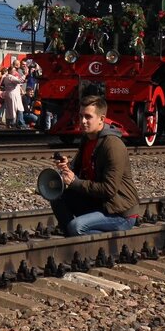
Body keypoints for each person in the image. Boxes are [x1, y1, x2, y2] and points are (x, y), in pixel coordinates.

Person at [49, 95, 140, 236]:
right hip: (100, 202)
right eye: (80, 116)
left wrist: (75, 182)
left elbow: (108, 189)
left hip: (119, 212)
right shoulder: (87, 139)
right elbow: (78, 170)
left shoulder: (113, 146)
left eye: (88, 117)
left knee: (77, 226)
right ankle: (72, 240)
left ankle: (85, 242)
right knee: (57, 198)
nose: (83, 121)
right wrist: (67, 167)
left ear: (101, 119)